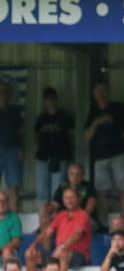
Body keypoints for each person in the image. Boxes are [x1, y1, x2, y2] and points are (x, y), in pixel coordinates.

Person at [83, 81, 124, 225]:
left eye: (103, 91)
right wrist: (97, 122)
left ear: (109, 92)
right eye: (98, 92)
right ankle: (104, 224)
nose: (101, 95)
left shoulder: (119, 107)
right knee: (101, 191)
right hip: (100, 156)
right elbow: (86, 136)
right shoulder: (93, 112)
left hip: (120, 153)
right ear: (94, 95)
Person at [25, 188, 90, 271]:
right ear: (63, 200)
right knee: (30, 254)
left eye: (72, 197)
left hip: (78, 255)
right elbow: (47, 232)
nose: (69, 200)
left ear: (78, 199)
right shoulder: (61, 215)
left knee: (63, 254)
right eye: (66, 198)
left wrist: (62, 247)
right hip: (58, 251)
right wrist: (33, 245)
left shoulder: (83, 215)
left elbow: (77, 235)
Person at [33, 86, 74, 223]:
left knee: (57, 193)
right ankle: (43, 224)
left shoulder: (64, 116)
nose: (50, 101)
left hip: (60, 158)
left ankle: (55, 224)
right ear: (44, 101)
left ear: (56, 99)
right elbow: (35, 136)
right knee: (42, 193)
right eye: (47, 99)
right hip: (43, 158)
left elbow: (71, 136)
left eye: (52, 98)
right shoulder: (41, 118)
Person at [49, 162, 97, 231]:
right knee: (47, 213)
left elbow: (89, 207)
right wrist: (50, 212)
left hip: (85, 219)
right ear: (68, 175)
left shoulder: (88, 186)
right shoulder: (62, 186)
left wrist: (74, 217)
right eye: (72, 174)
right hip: (66, 218)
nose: (74, 177)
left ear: (83, 175)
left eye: (78, 175)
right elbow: (55, 204)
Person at [0, 80, 23, 212]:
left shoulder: (15, 111)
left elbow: (20, 133)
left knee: (13, 187)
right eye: (1, 91)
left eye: (5, 92)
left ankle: (13, 219)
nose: (3, 94)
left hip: (12, 150)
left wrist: (20, 149)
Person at [0, 190, 21, 261]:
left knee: (6, 251)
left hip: (9, 251)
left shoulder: (13, 218)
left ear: (8, 202)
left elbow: (16, 241)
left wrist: (3, 248)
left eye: (4, 200)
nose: (2, 204)